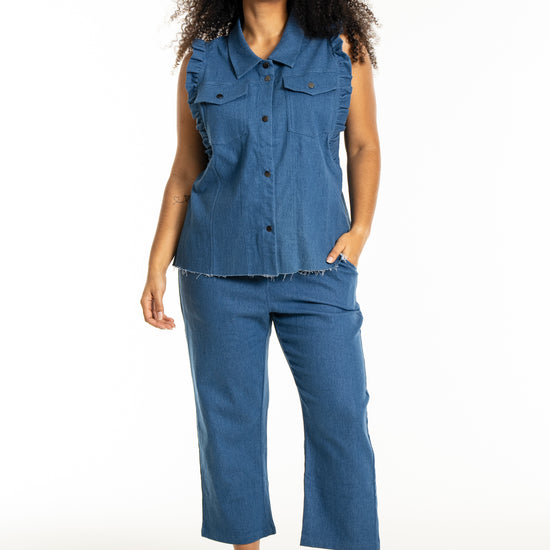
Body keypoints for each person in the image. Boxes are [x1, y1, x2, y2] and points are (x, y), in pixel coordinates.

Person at [140, 0, 381, 548]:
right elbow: (186, 167)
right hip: (217, 270)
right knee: (230, 423)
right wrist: (156, 263)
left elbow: (364, 143)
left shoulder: (342, 49)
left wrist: (361, 229)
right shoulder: (201, 59)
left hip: (319, 265)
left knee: (342, 416)